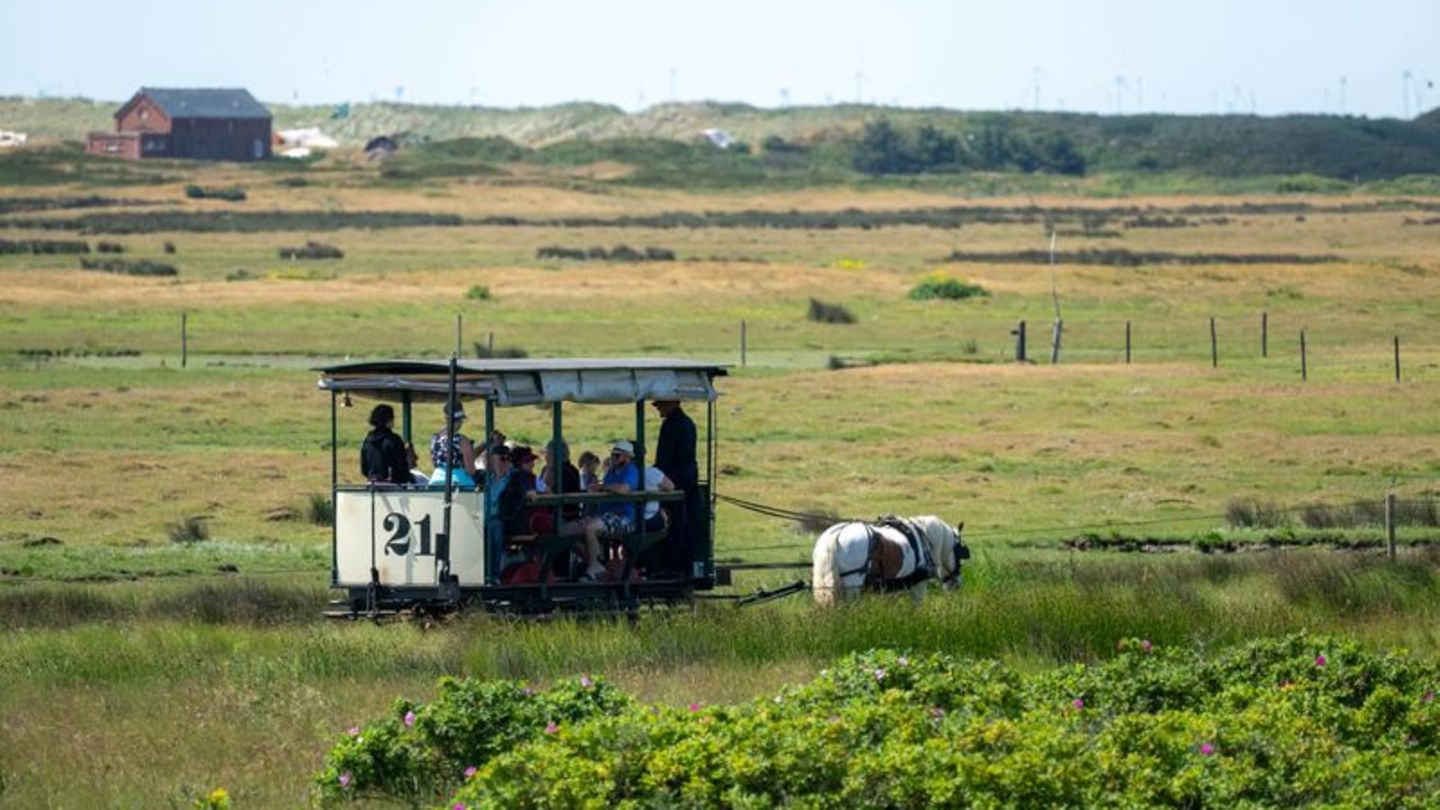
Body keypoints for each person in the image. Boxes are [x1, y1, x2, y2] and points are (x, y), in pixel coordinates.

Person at [652, 399, 699, 577]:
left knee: (673, 525)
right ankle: (683, 567)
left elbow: (664, 457)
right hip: (688, 479)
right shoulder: (688, 423)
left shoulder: (671, 425)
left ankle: (673, 567)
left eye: (660, 405)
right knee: (684, 526)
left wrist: (655, 475)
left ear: (670, 404)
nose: (658, 409)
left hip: (675, 481)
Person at [360, 404, 413, 486]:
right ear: (388, 420)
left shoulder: (367, 441)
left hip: (372, 485)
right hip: (391, 486)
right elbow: (401, 466)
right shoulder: (393, 440)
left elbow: (364, 469)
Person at [427, 403, 477, 487]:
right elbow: (470, 470)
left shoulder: (435, 438)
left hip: (435, 480)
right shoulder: (462, 440)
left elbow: (435, 461)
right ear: (460, 420)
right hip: (458, 482)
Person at [496, 446, 539, 538]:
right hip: (515, 525)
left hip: (510, 522)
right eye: (527, 461)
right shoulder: (519, 476)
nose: (532, 464)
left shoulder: (521, 477)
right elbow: (531, 494)